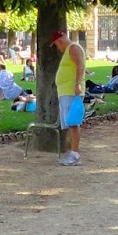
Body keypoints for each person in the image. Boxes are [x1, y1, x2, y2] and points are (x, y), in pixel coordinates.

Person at [51, 30, 86, 164]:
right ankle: (72, 152)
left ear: (59, 41)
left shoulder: (73, 48)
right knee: (70, 123)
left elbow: (80, 66)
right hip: (66, 91)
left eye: (56, 44)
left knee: (73, 122)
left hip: (71, 91)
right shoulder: (69, 50)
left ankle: (75, 154)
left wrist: (77, 84)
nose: (57, 48)